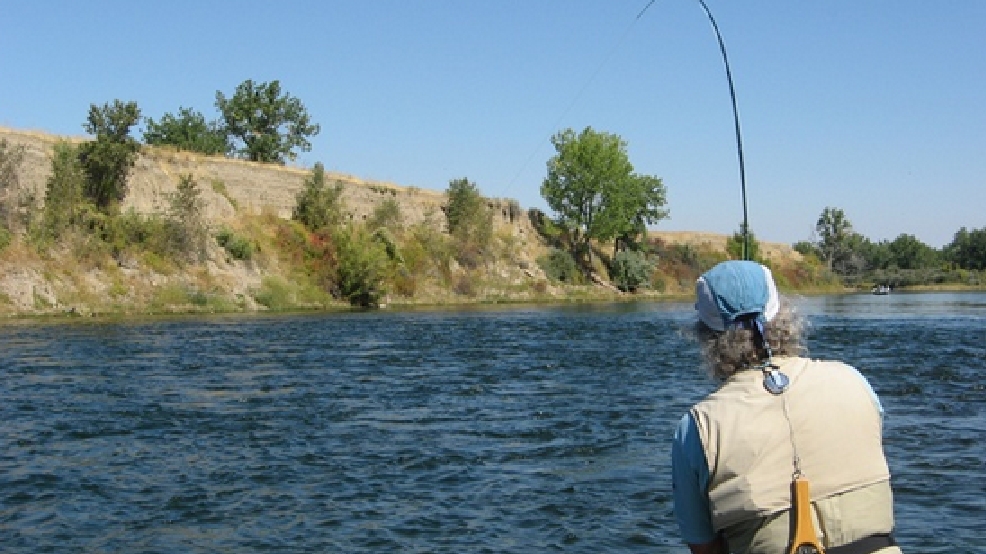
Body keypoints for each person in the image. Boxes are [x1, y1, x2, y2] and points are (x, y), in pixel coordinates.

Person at [671, 260, 902, 554]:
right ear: (783, 314)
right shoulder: (854, 380)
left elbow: (704, 548)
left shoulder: (697, 427)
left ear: (705, 335)